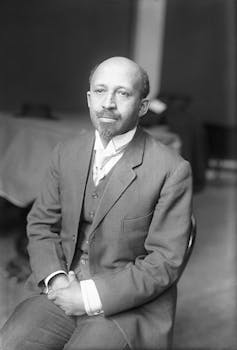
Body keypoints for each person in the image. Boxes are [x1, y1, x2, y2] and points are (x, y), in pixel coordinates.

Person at [0, 56, 193, 350]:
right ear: (89, 99)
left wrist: (88, 297)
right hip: (61, 289)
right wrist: (57, 281)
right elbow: (41, 224)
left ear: (142, 106)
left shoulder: (171, 169)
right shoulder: (66, 152)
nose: (108, 103)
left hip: (127, 306)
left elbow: (164, 262)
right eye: (100, 91)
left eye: (123, 93)